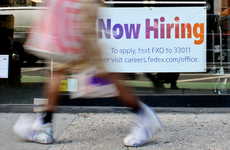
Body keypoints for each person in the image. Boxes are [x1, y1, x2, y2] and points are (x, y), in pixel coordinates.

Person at [13, 0, 162, 147]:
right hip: (70, 6)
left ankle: (144, 115)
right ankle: (45, 122)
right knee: (59, 63)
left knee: (99, 68)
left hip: (80, 7)